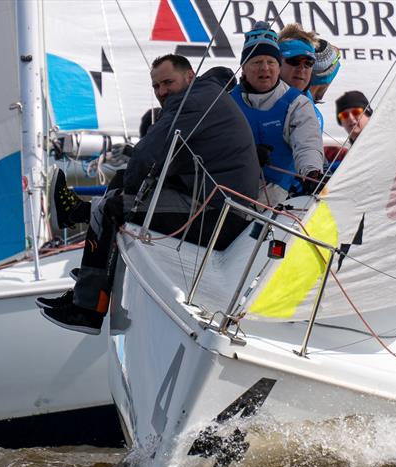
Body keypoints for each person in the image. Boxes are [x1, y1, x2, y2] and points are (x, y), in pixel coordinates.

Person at [38, 54, 260, 334]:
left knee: (114, 208)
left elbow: (147, 154)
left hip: (218, 217)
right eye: (156, 87)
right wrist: (127, 187)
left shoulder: (191, 102)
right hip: (218, 205)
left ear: (189, 76)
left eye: (168, 82)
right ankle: (86, 270)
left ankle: (86, 310)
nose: (162, 92)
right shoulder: (205, 94)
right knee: (120, 184)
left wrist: (127, 195)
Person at [231, 21, 324, 206]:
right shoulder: (226, 102)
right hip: (229, 192)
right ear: (244, 67)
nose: (265, 68)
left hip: (276, 199)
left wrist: (312, 173)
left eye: (271, 62)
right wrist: (245, 155)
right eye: (257, 62)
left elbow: (307, 143)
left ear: (278, 67)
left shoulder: (298, 104)